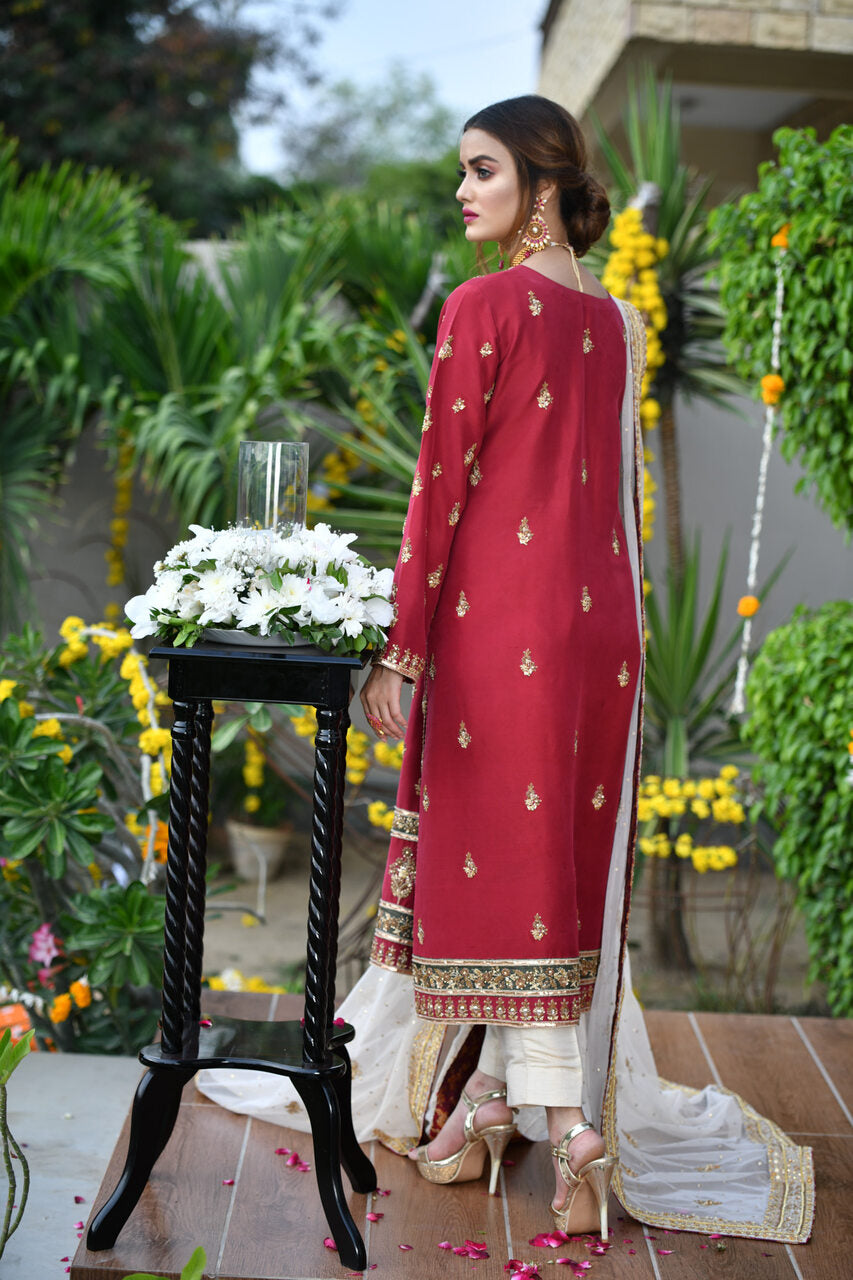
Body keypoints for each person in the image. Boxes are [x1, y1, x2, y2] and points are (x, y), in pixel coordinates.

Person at [197, 95, 814, 1246]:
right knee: (551, 874)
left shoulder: (483, 307)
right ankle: (489, 1105)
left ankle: (563, 1120)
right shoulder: (619, 322)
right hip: (599, 638)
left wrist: (402, 650)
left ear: (537, 183)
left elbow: (440, 488)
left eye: (481, 170)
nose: (463, 192)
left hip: (503, 633)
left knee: (498, 881)